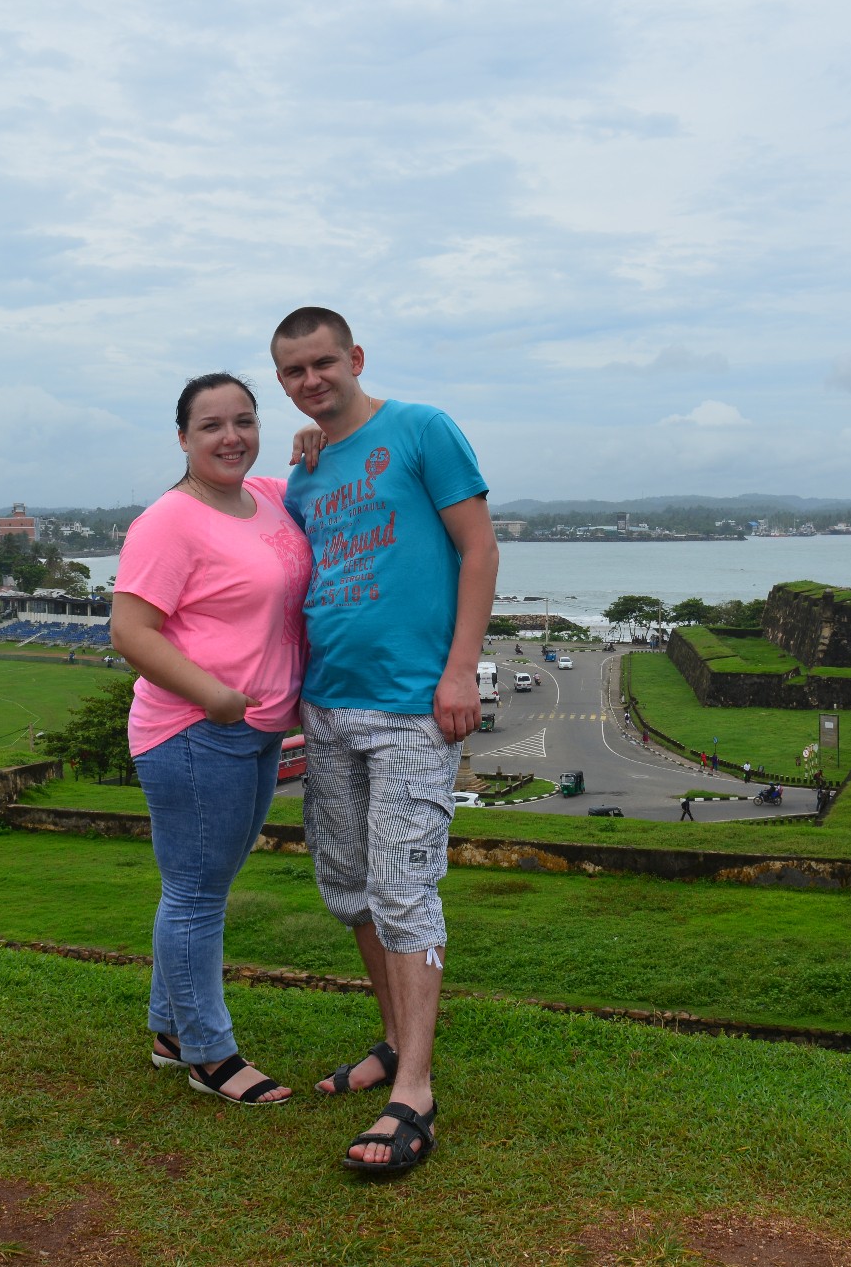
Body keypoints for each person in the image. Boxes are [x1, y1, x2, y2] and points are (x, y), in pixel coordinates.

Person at [274, 306, 496, 1175]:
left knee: (404, 887)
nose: (310, 381)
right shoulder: (309, 468)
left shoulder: (422, 429)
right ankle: (401, 1041)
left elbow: (477, 550)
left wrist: (461, 671)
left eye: (323, 363)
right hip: (329, 703)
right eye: (293, 372)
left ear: (355, 356)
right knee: (350, 886)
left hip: (412, 705)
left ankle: (415, 1092)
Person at [110, 373, 310, 1108]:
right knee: (195, 895)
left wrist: (313, 444)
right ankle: (208, 1052)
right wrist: (216, 698)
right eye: (212, 426)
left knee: (202, 889)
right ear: (184, 437)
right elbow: (130, 630)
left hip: (254, 730)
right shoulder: (169, 520)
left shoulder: (266, 497)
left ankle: (170, 1029)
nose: (231, 436)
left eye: (245, 421)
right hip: (196, 729)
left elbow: (314, 488)